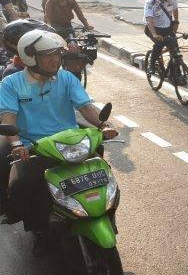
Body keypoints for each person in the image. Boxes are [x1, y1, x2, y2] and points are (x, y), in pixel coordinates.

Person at [0, 29, 117, 255]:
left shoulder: (66, 79)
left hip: (70, 143)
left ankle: (105, 214)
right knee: (22, 184)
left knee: (102, 169)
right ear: (30, 57)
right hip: (34, 147)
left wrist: (103, 126)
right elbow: (8, 118)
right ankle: (39, 230)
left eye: (57, 54)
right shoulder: (11, 84)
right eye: (48, 55)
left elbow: (86, 108)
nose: (55, 59)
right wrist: (17, 145)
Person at [144, 0, 179, 73]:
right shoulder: (150, 2)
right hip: (154, 29)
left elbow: (175, 9)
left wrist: (176, 22)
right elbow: (149, 19)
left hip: (168, 28)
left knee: (175, 49)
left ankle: (176, 72)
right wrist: (154, 34)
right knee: (159, 44)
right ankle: (152, 64)